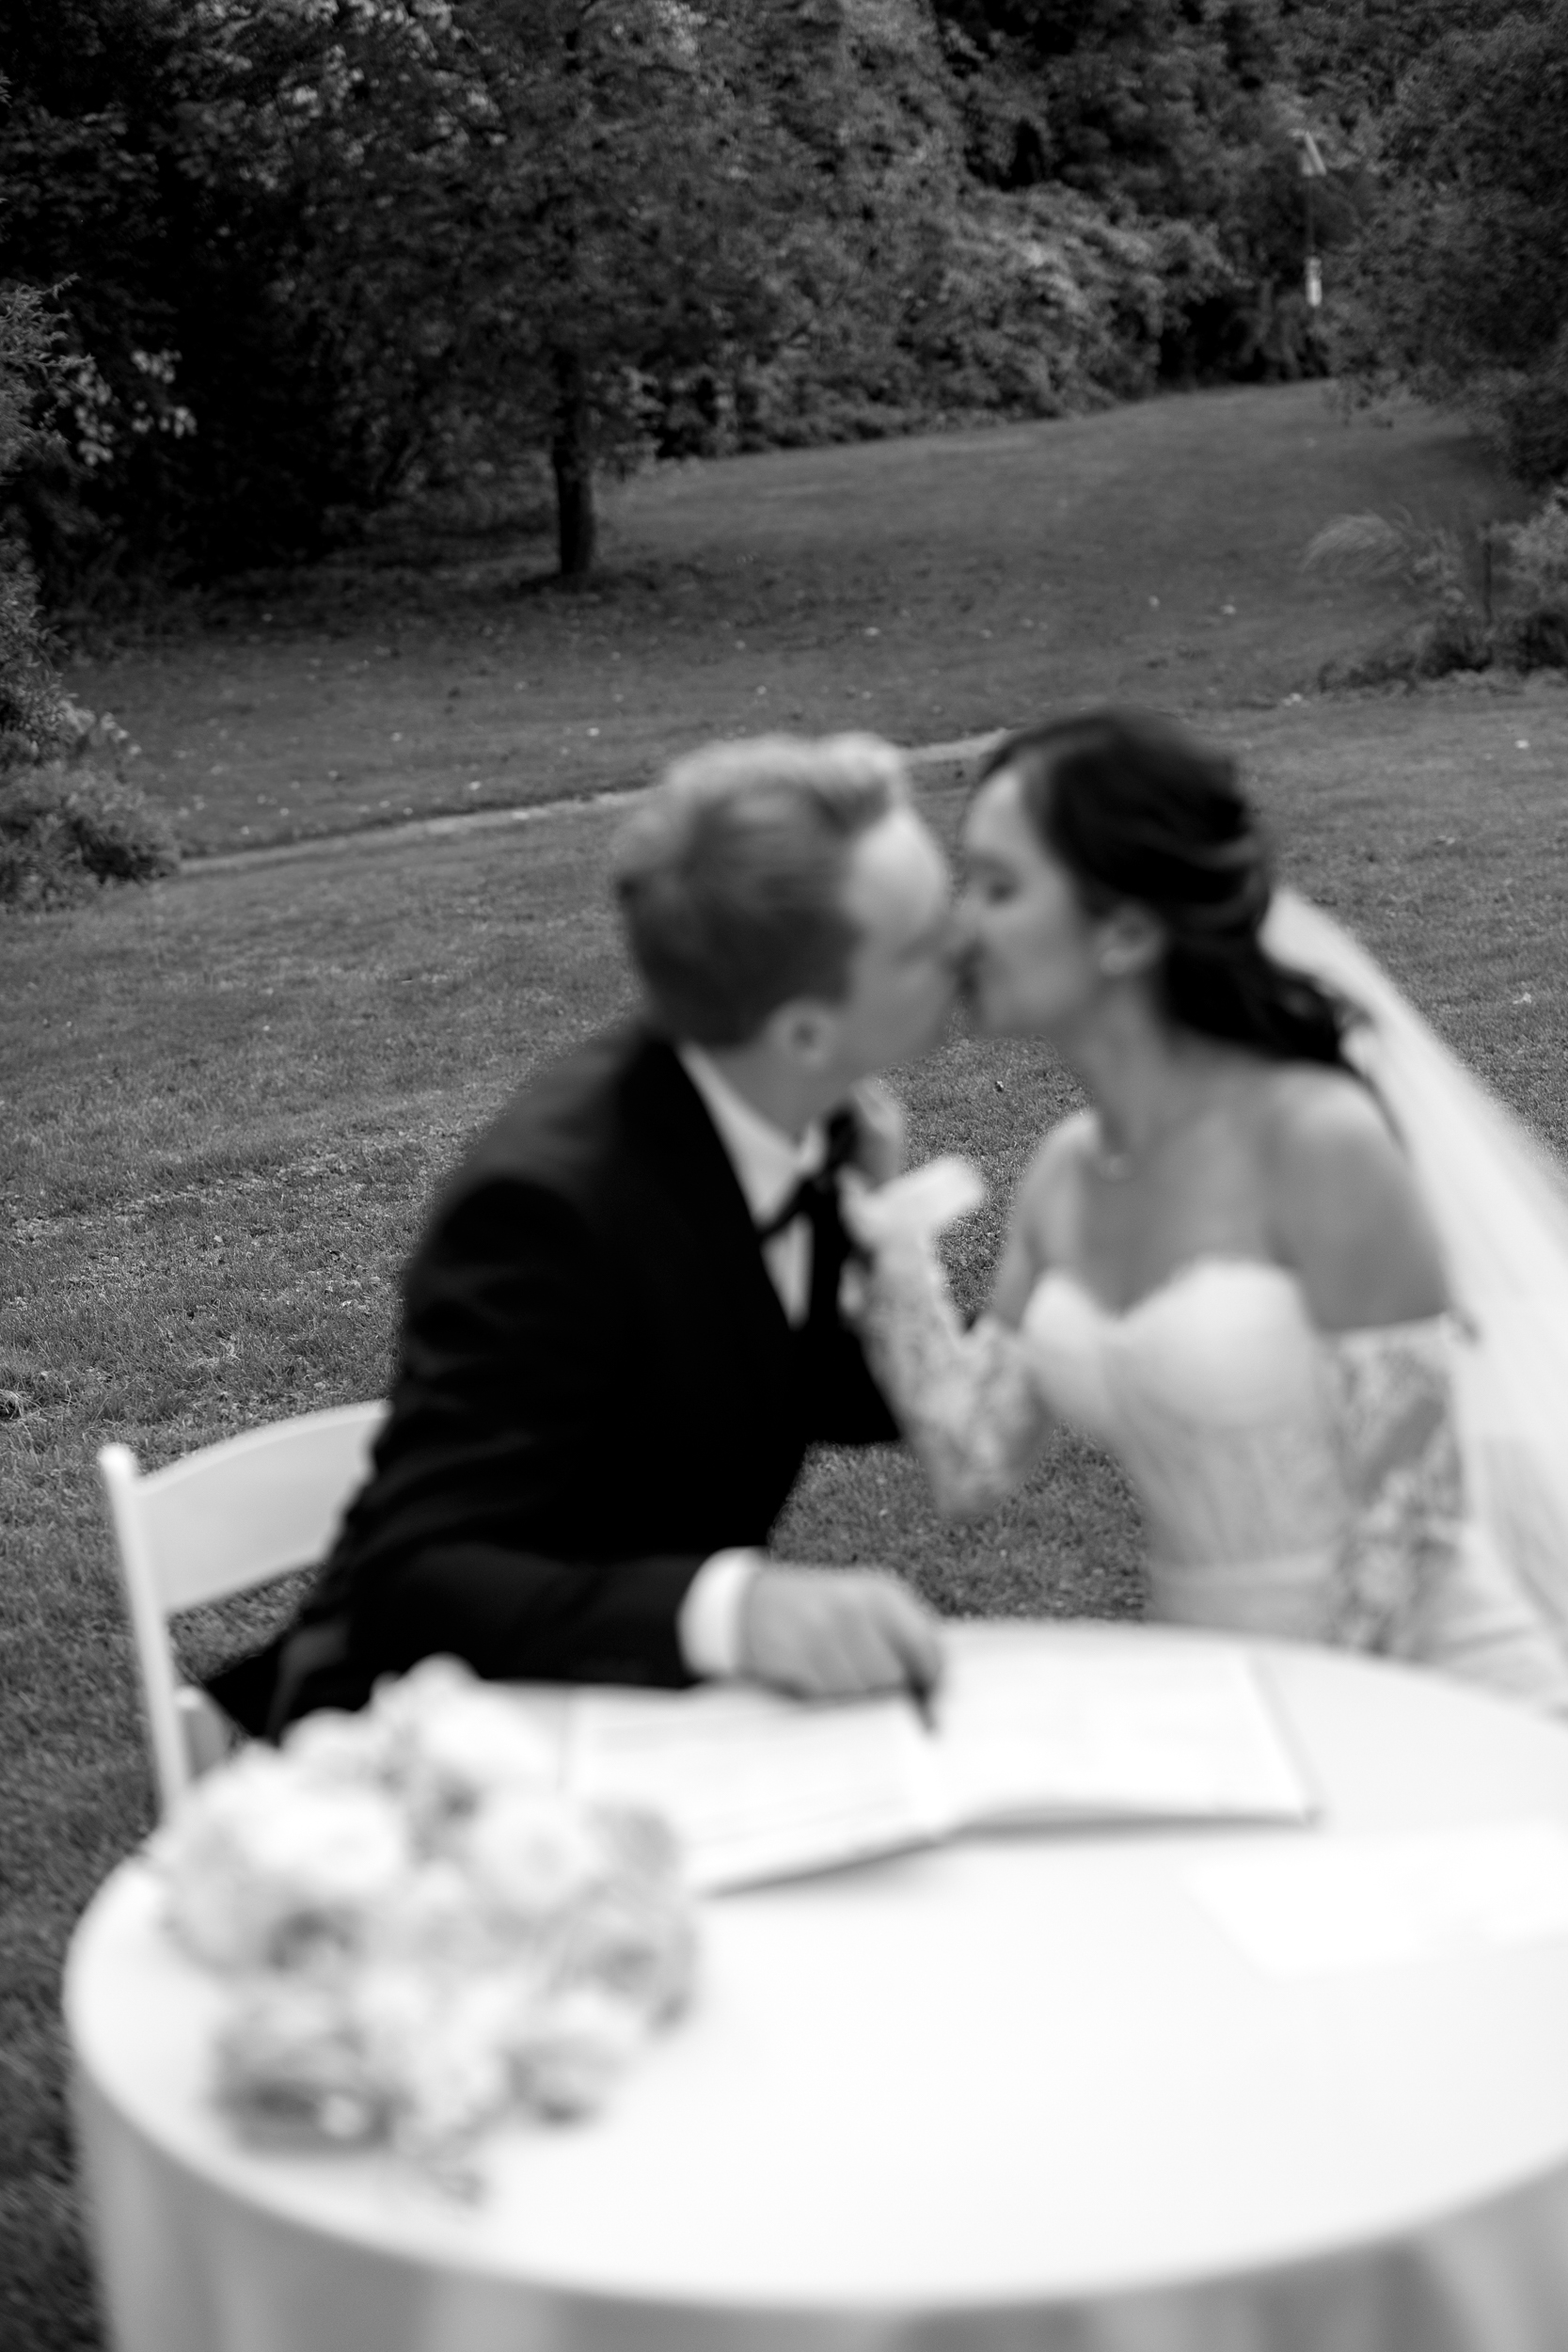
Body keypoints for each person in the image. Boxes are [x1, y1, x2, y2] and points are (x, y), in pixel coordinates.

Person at [209, 732, 953, 1739]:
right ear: (804, 1028)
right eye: (923, 940)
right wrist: (736, 1609)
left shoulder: (799, 1106)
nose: (967, 949)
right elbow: (415, 1576)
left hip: (646, 1719)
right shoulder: (547, 1210)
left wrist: (902, 1265)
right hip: (430, 1739)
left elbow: (800, 1373)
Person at [844, 707, 1568, 1711]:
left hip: (1431, 1697)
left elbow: (1408, 1520)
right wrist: (881, 1232)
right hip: (1230, 1697)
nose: (959, 925)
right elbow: (973, 1461)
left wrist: (1314, 1737)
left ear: (1128, 929)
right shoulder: (1061, 1176)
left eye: (999, 887)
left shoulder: (1316, 1144)